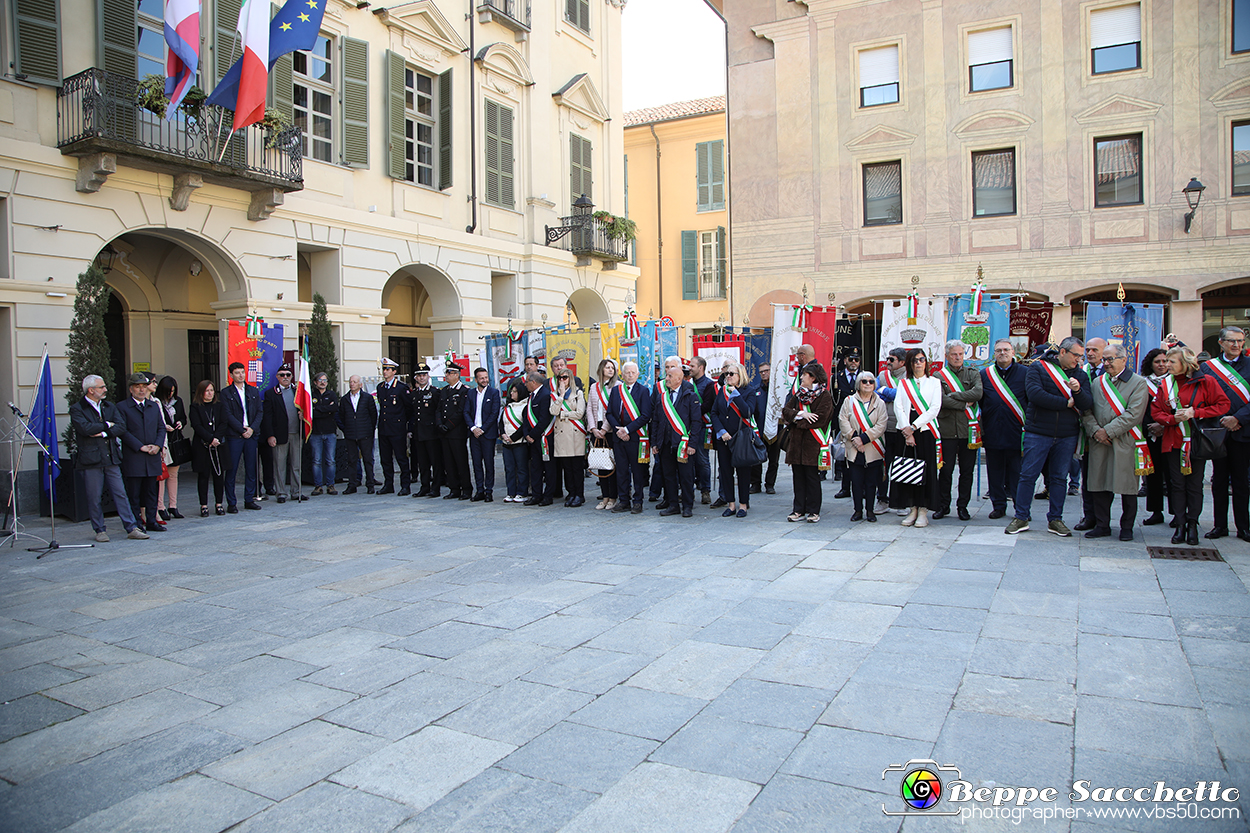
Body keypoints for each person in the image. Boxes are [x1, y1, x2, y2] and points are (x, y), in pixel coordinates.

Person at [1005, 337, 1094, 536]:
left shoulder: (1081, 375)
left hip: (1066, 434)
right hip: (1038, 431)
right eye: (1075, 355)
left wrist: (1077, 391)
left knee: (1059, 478)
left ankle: (1056, 519)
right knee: (1028, 475)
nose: (1078, 360)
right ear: (1062, 352)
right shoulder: (1039, 368)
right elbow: (1035, 394)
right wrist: (1065, 403)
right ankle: (1021, 517)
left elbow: (1087, 403)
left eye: (1081, 356)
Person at [1153, 346, 1229, 545]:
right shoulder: (1165, 384)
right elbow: (1156, 412)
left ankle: (1193, 524)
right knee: (1176, 485)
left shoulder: (1206, 381)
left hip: (1196, 442)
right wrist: (1171, 418)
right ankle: (1179, 524)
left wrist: (1195, 413)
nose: (1166, 365)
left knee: (1194, 486)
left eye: (1171, 362)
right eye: (1166, 361)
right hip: (1173, 442)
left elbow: (1222, 405)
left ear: (1185, 364)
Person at [1080, 343, 1151, 541]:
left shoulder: (1138, 382)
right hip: (1099, 442)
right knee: (1099, 484)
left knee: (1127, 487)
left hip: (1124, 440)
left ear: (1124, 359)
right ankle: (1102, 525)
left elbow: (1134, 414)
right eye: (1105, 360)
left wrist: (1108, 432)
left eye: (1111, 359)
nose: (1107, 363)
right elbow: (1087, 411)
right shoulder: (1097, 382)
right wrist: (1096, 432)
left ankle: (1127, 527)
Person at [70, 375, 147, 541]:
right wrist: (107, 424)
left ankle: (131, 527)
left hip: (111, 457)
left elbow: (120, 426)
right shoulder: (78, 408)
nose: (105, 389)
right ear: (91, 390)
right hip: (91, 460)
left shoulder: (109, 406)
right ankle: (99, 530)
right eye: (101, 387)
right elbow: (85, 429)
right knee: (94, 496)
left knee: (120, 493)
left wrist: (103, 432)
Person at [1199, 326, 1250, 540]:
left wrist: (1238, 418)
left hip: (1243, 430)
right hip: (1218, 431)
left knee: (1241, 481)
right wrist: (1225, 419)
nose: (1236, 345)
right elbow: (1203, 397)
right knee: (1218, 480)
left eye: (1240, 341)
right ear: (1221, 343)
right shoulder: (1208, 368)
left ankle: (1244, 526)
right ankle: (1220, 526)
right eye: (1232, 341)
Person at [890, 349, 943, 528]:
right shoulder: (904, 383)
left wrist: (913, 427)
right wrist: (907, 431)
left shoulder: (934, 383)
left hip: (925, 431)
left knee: (925, 472)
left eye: (922, 359)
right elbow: (898, 407)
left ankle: (923, 511)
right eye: (915, 360)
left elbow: (934, 408)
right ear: (910, 364)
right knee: (909, 471)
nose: (919, 363)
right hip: (905, 431)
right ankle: (912, 508)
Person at [933, 341, 983, 521]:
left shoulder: (972, 373)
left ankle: (963, 506)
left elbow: (977, 393)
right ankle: (943, 506)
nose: (958, 357)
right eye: (954, 354)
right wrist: (963, 403)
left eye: (961, 354)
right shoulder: (939, 376)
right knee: (945, 472)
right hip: (946, 430)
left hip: (968, 430)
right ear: (947, 356)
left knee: (967, 471)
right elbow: (941, 400)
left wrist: (953, 396)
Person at [980, 339, 1028, 520]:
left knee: (1018, 473)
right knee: (995, 472)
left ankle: (1020, 507)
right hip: (993, 430)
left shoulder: (1025, 373)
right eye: (999, 350)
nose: (1002, 353)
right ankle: (998, 506)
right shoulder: (985, 374)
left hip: (1017, 431)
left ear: (1013, 352)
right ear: (994, 354)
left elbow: (1030, 402)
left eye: (1006, 350)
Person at [782, 362, 834, 523]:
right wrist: (801, 414)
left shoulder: (825, 396)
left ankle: (813, 510)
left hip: (814, 443)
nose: (801, 377)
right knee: (798, 477)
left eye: (804, 374)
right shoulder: (799, 394)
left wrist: (797, 420)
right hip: (796, 444)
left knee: (812, 477)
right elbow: (786, 411)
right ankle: (798, 509)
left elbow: (821, 419)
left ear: (812, 377)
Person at [117, 372, 167, 532]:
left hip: (152, 455)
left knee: (152, 491)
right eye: (137, 387)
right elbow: (123, 431)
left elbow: (161, 427)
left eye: (144, 387)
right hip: (135, 456)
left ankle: (152, 520)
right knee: (134, 492)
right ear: (131, 389)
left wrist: (158, 445)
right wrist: (140, 446)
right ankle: (136, 522)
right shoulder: (123, 407)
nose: (141, 390)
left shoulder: (153, 406)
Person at [652, 356, 700, 517]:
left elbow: (696, 422)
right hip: (665, 444)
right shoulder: (662, 397)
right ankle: (673, 505)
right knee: (669, 476)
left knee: (686, 477)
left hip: (683, 445)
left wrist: (693, 444)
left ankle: (687, 505)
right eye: (667, 376)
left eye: (670, 376)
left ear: (679, 379)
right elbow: (656, 421)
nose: (666, 378)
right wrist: (655, 443)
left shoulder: (690, 396)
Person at [711, 362, 759, 518]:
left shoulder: (749, 391)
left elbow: (748, 412)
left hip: (740, 438)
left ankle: (743, 504)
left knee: (743, 472)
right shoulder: (721, 391)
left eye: (732, 374)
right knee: (725, 472)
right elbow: (714, 413)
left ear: (740, 375)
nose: (728, 377)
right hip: (724, 438)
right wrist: (721, 430)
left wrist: (736, 396)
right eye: (727, 374)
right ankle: (731, 504)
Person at [838, 370, 887, 522]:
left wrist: (864, 439)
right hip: (854, 447)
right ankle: (857, 510)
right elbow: (842, 420)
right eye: (864, 381)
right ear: (858, 384)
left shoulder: (880, 403)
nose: (867, 384)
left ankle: (870, 511)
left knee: (871, 482)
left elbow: (881, 424)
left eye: (871, 381)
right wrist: (854, 437)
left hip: (872, 447)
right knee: (856, 482)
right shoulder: (849, 401)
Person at [608, 361, 653, 515]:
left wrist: (627, 429)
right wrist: (618, 430)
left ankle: (638, 501)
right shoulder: (615, 391)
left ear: (638, 374)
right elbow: (609, 414)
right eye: (627, 372)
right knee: (621, 471)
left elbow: (646, 415)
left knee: (637, 471)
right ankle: (623, 500)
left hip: (635, 437)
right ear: (622, 373)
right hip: (618, 437)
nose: (630, 375)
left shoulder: (643, 391)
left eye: (633, 372)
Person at [261, 363, 305, 504]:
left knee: (296, 465)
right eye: (282, 375)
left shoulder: (298, 391)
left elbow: (306, 410)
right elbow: (267, 417)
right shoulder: (271, 393)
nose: (285, 377)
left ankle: (296, 492)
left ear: (292, 377)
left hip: (296, 433)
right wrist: (270, 435)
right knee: (279, 465)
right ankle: (281, 492)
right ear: (277, 377)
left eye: (288, 375)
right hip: (280, 435)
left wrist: (303, 416)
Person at [222, 361, 262, 512]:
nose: (241, 375)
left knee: (251, 468)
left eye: (242, 372)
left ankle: (249, 499)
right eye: (237, 373)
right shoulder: (226, 393)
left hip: (251, 435)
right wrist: (241, 429)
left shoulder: (253, 391)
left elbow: (260, 412)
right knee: (231, 469)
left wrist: (251, 429)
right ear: (231, 375)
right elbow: (227, 414)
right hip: (235, 435)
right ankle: (231, 502)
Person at [1140, 348, 1171, 527]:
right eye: (1158, 361)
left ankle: (1176, 512)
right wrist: (1149, 427)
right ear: (1151, 363)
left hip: (1171, 433)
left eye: (1165, 361)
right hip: (1150, 433)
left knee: (1173, 476)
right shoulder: (1143, 383)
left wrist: (1164, 425)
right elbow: (1139, 408)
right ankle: (1156, 512)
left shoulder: (1174, 381)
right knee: (1153, 475)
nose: (1162, 365)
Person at [876, 347, 908, 516]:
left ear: (902, 362)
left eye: (892, 359)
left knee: (902, 465)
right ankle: (882, 498)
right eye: (887, 359)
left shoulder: (909, 376)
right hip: (885, 427)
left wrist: (887, 392)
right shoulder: (882, 376)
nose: (888, 362)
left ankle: (901, 502)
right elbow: (874, 393)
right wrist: (892, 394)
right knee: (884, 465)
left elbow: (906, 395)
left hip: (902, 427)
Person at [189, 380, 227, 517]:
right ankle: (204, 505)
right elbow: (196, 425)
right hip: (202, 446)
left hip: (218, 445)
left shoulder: (219, 405)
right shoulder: (195, 407)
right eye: (207, 391)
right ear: (201, 392)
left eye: (212, 390)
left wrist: (216, 438)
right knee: (203, 475)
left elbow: (224, 422)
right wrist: (210, 439)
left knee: (218, 475)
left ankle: (219, 504)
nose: (210, 393)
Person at [550, 365, 588, 507]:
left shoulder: (577, 393)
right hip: (561, 434)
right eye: (560, 377)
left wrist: (564, 414)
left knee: (576, 467)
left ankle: (579, 494)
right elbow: (553, 411)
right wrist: (560, 396)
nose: (562, 380)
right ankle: (571, 493)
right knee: (566, 467)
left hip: (575, 434)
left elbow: (579, 413)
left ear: (570, 378)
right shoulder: (554, 395)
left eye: (565, 377)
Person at [375, 359, 412, 495]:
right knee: (385, 459)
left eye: (388, 369)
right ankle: (388, 484)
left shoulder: (402, 388)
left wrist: (404, 423)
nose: (385, 372)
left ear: (394, 372)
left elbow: (408, 408)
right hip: (384, 428)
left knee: (401, 458)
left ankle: (405, 485)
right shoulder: (380, 387)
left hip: (397, 428)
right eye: (384, 369)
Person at [587, 359, 621, 510]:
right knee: (601, 464)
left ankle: (613, 497)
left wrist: (605, 428)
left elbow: (614, 410)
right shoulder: (594, 387)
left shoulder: (618, 386)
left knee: (611, 465)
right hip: (596, 428)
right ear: (601, 369)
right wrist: (593, 428)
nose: (610, 370)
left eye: (612, 368)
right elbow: (589, 409)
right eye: (607, 367)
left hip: (611, 429)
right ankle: (605, 496)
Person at [338, 374, 378, 494]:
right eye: (350, 382)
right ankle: (352, 484)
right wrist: (345, 429)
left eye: (354, 382)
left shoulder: (367, 398)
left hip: (365, 433)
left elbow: (373, 415)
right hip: (350, 434)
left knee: (368, 459)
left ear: (360, 384)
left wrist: (370, 430)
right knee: (351, 460)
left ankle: (370, 484)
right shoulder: (345, 399)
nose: (352, 384)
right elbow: (341, 416)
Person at [465, 367, 501, 502]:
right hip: (474, 434)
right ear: (476, 380)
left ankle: (488, 491)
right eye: (482, 378)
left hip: (487, 434)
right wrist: (473, 428)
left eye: (486, 377)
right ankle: (479, 490)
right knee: (476, 463)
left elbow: (494, 413)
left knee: (489, 463)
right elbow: (466, 412)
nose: (485, 380)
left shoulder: (493, 393)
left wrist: (482, 429)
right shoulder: (470, 393)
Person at [154, 376, 186, 521]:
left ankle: (173, 505)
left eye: (173, 391)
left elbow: (184, 417)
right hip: (164, 442)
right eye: (168, 391)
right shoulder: (156, 402)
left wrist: (180, 423)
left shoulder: (178, 401)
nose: (171, 394)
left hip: (176, 440)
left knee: (173, 475)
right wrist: (164, 427)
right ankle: (160, 507)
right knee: (162, 476)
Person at [409, 363, 444, 498]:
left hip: (432, 433)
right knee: (422, 462)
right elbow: (413, 413)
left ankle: (435, 488)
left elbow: (438, 411)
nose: (422, 378)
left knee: (435, 462)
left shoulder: (434, 392)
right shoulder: (414, 393)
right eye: (419, 375)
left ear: (428, 376)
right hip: (419, 432)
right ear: (416, 378)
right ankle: (424, 487)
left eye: (424, 375)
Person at [438, 364, 472, 500]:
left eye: (449, 373)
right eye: (446, 373)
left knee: (460, 461)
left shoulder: (464, 391)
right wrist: (440, 424)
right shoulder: (444, 390)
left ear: (457, 375)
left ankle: (466, 489)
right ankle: (454, 488)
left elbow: (461, 411)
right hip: (444, 432)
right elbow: (439, 409)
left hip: (457, 432)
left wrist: (449, 425)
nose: (447, 376)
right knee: (448, 461)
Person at [831, 350, 862, 499]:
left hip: (859, 421)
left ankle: (860, 488)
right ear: (845, 361)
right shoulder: (836, 378)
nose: (854, 362)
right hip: (842, 421)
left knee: (859, 457)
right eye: (851, 359)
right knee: (844, 456)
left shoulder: (864, 378)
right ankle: (845, 488)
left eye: (856, 360)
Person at [523, 370, 556, 506]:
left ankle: (548, 496)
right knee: (535, 467)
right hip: (533, 439)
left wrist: (532, 435)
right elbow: (526, 418)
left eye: (527, 382)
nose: (525, 385)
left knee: (548, 468)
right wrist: (527, 434)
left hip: (544, 438)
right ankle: (536, 495)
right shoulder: (532, 396)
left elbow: (544, 420)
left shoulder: (545, 395)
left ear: (534, 382)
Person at [750, 362, 781, 495]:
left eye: (766, 371)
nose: (764, 373)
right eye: (761, 371)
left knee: (773, 460)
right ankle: (755, 484)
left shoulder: (778, 391)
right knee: (756, 459)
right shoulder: (755, 390)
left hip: (775, 430)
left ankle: (770, 484)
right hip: (759, 430)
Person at [689, 356, 716, 505]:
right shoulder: (688, 384)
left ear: (701, 367)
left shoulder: (709, 385)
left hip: (703, 426)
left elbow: (707, 405)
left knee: (702, 460)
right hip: (690, 427)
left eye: (692, 366)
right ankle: (689, 490)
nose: (690, 368)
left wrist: (692, 412)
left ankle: (705, 490)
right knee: (689, 461)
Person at [499, 379, 531, 502]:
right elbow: (501, 422)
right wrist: (503, 434)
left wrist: (512, 438)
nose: (511, 394)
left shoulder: (525, 406)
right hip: (506, 443)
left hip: (519, 443)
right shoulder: (508, 407)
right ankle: (510, 492)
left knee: (522, 468)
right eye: (511, 392)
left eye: (514, 392)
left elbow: (524, 426)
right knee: (509, 468)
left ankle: (522, 492)